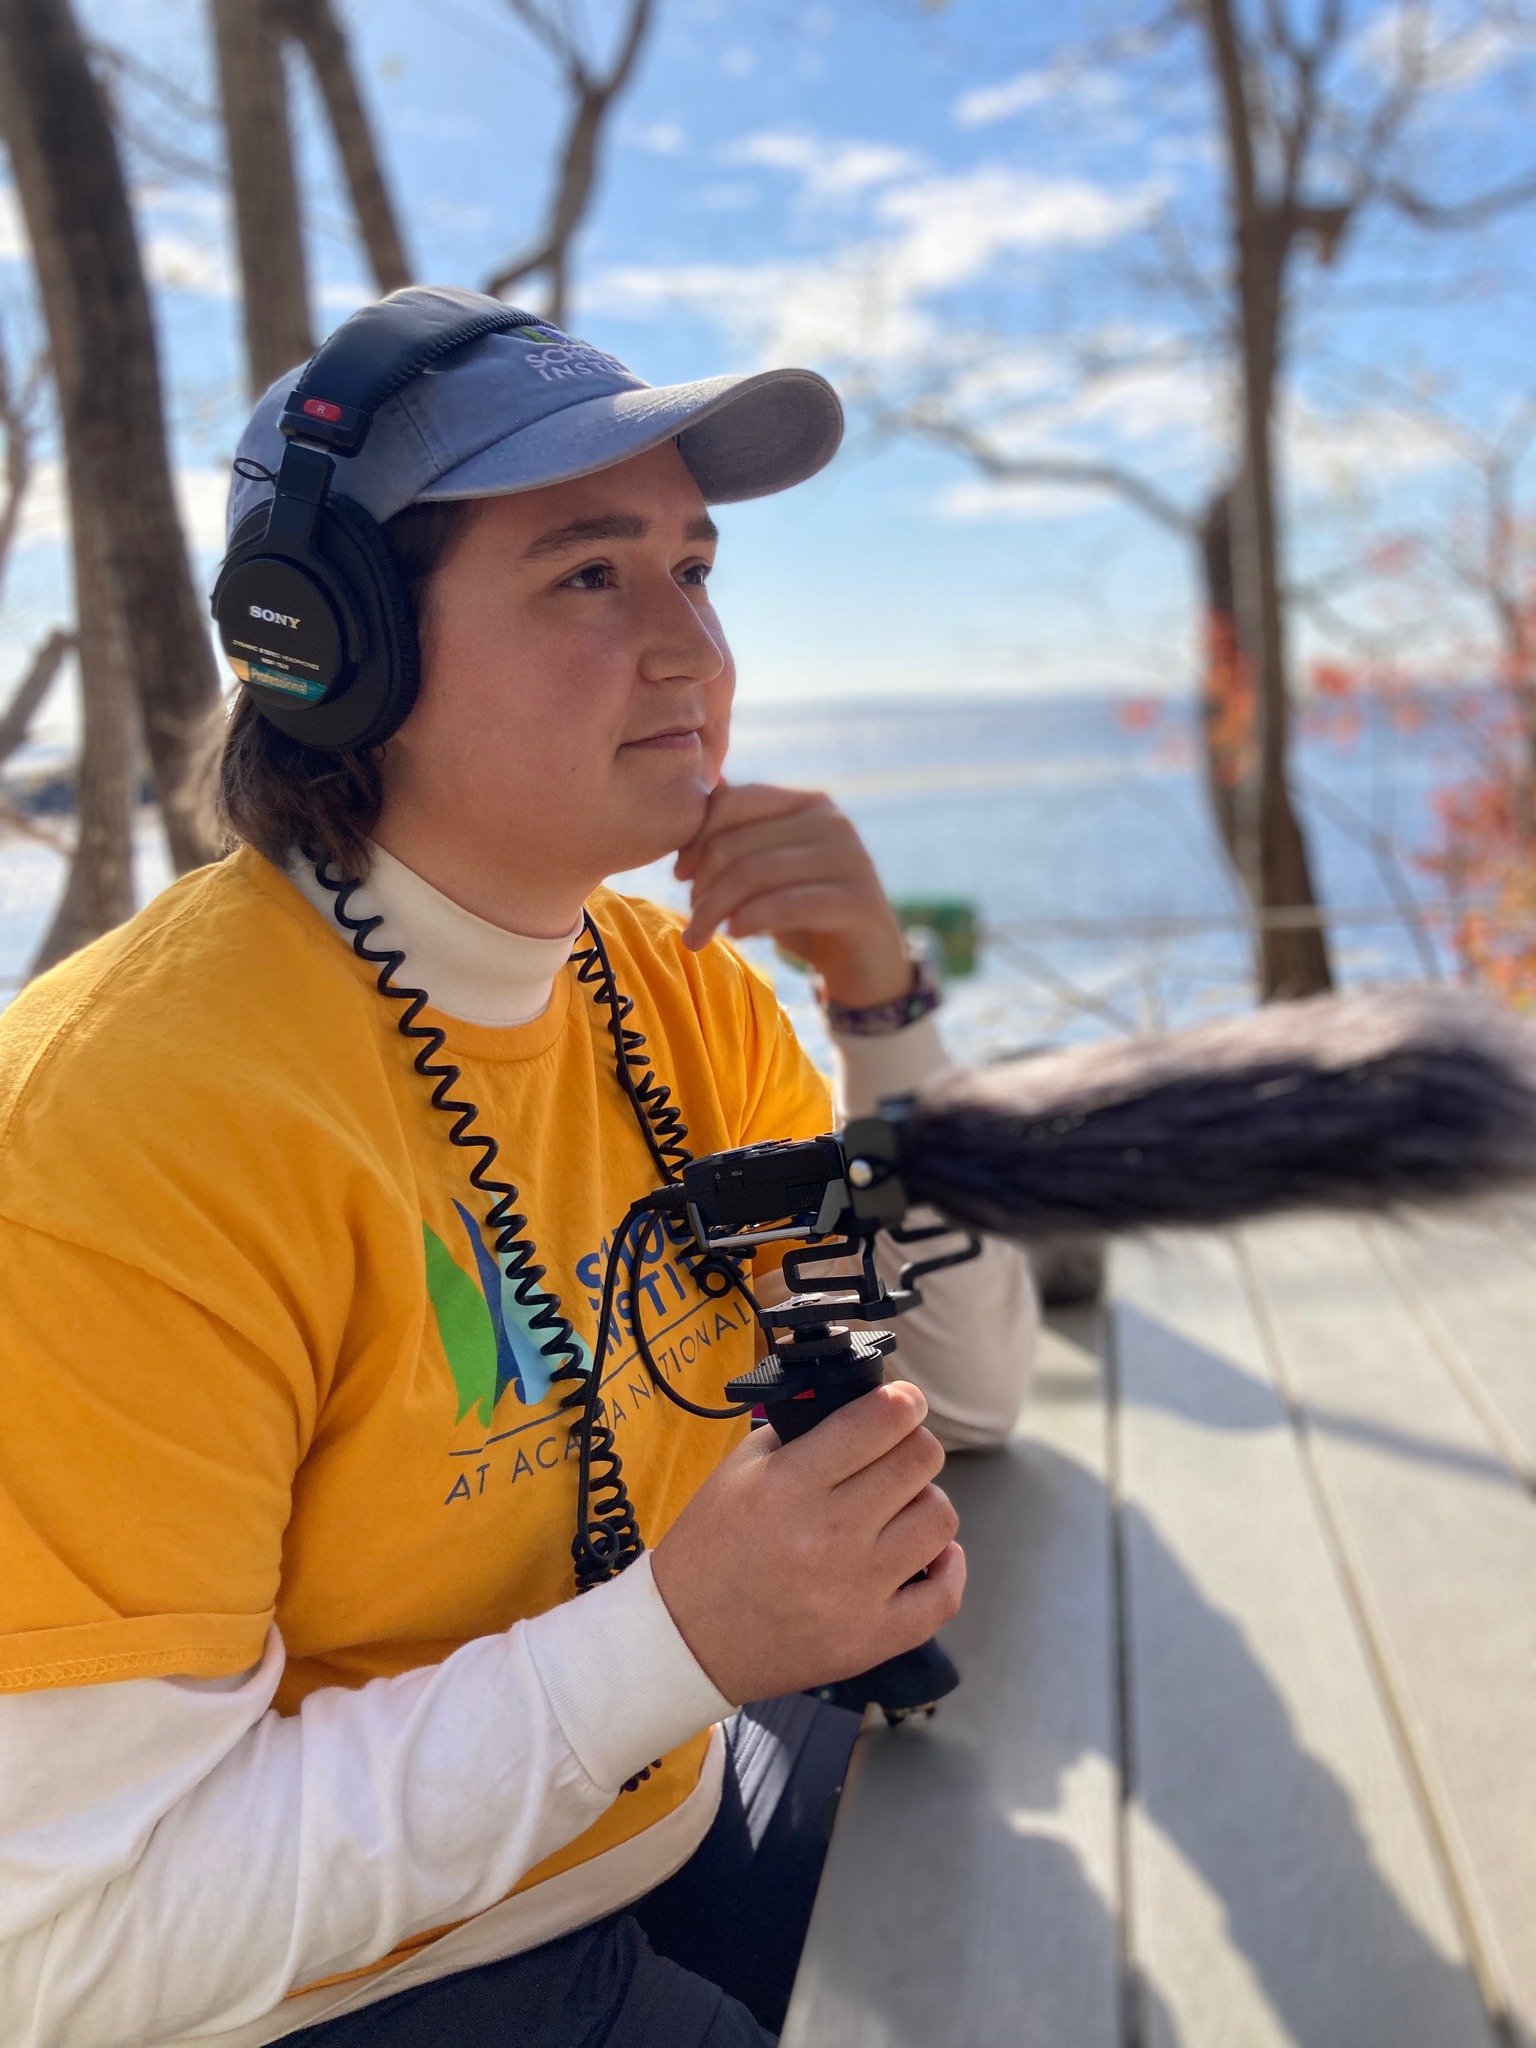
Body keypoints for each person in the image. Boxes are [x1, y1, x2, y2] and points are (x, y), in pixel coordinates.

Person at [0, 290, 1036, 2047]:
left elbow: (968, 1389)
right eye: (588, 573)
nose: (692, 654)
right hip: (347, 1991)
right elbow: (62, 1954)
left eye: (696, 571)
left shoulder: (680, 998)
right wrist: (676, 1644)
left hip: (652, 1805)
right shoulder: (115, 1136)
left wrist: (887, 1012)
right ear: (332, 651)